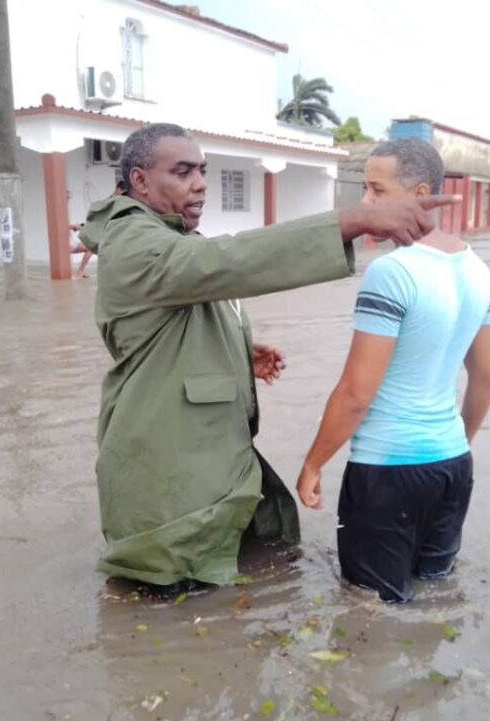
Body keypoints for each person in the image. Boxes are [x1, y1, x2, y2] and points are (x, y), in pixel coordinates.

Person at [78, 123, 459, 591]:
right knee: (168, 615)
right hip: (168, 476)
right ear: (139, 181)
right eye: (182, 172)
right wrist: (353, 221)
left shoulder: (168, 235)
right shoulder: (132, 240)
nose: (199, 183)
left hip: (198, 462)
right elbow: (221, 264)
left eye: (202, 171)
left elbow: (176, 310)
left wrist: (235, 352)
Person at [295, 138, 490, 603]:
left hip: (387, 472)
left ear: (421, 192)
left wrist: (313, 464)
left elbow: (355, 394)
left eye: (376, 191)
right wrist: (456, 446)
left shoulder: (392, 272)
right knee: (435, 600)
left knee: (369, 613)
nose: (365, 204)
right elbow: (486, 377)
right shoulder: (479, 271)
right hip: (452, 466)